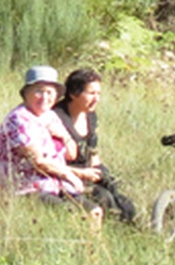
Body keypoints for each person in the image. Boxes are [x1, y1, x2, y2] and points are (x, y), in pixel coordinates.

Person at [0, 65, 100, 216]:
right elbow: (38, 161)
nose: (45, 97)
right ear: (26, 94)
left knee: (94, 211)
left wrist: (65, 136)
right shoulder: (19, 119)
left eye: (50, 92)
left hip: (57, 185)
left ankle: (94, 240)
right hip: (29, 187)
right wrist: (70, 175)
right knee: (72, 215)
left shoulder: (50, 116)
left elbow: (71, 155)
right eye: (38, 91)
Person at [50, 68, 137, 224]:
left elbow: (92, 151)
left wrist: (101, 172)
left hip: (88, 171)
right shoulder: (55, 118)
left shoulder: (90, 116)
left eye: (98, 94)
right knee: (104, 199)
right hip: (63, 176)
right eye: (91, 94)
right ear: (73, 93)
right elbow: (49, 162)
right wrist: (83, 174)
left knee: (124, 204)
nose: (96, 99)